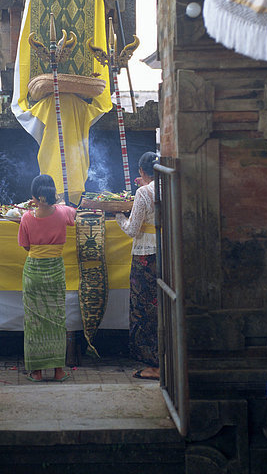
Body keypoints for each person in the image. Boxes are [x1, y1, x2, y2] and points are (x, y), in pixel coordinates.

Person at [18, 174, 76, 382]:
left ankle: (37, 372)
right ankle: (59, 370)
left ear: (33, 196)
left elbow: (25, 246)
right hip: (55, 271)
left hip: (34, 272)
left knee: (35, 322)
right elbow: (75, 215)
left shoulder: (26, 217)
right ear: (52, 194)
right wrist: (58, 203)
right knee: (56, 319)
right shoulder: (63, 213)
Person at [115, 151, 159, 380]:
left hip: (145, 256)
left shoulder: (143, 192)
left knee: (145, 312)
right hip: (165, 252)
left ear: (141, 172)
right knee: (162, 308)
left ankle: (154, 365)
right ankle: (168, 360)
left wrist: (118, 216)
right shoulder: (167, 186)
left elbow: (132, 230)